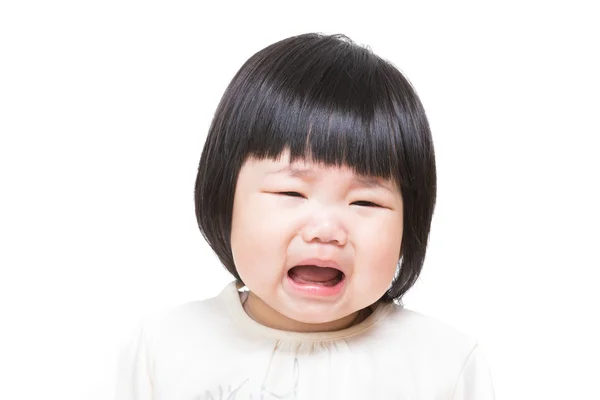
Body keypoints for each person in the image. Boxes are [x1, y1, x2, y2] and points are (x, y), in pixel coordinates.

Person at [114, 32, 495, 399]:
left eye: (365, 202)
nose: (326, 230)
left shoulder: (442, 364)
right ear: (223, 197)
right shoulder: (165, 348)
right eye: (290, 192)